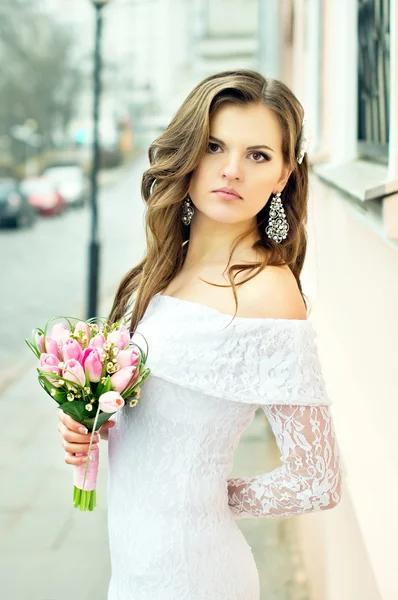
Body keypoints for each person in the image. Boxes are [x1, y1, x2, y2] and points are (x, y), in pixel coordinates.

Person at [58, 69, 342, 599]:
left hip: (194, 574)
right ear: (189, 152)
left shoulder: (268, 292)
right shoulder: (162, 272)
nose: (231, 170)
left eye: (258, 155)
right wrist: (88, 423)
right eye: (214, 146)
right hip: (133, 566)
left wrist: (209, 495)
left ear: (282, 175)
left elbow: (317, 479)